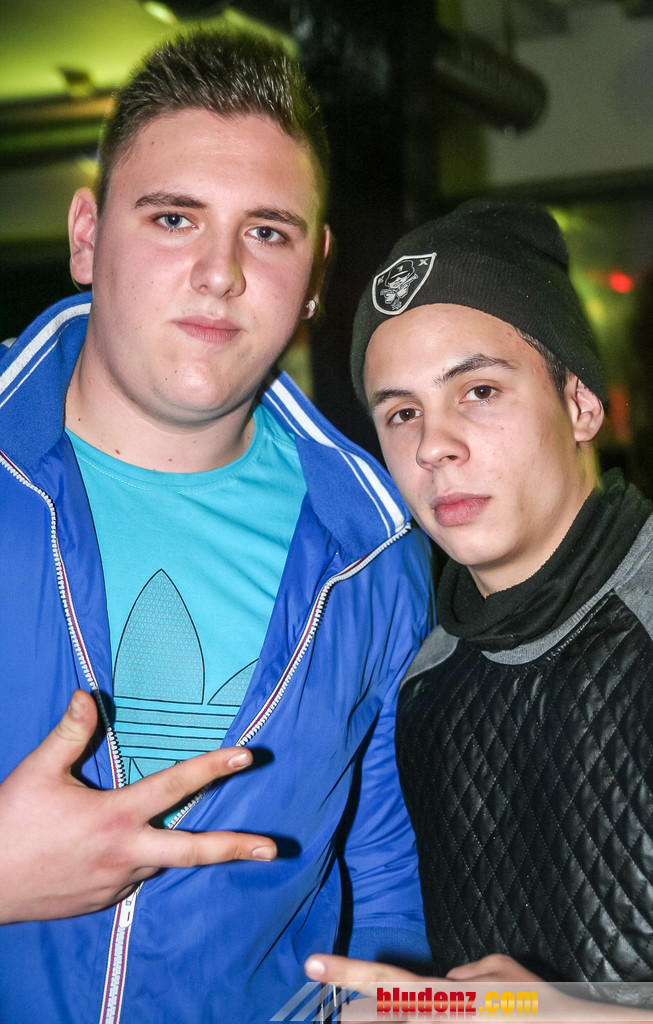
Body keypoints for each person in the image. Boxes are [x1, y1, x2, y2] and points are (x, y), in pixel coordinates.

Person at [0, 30, 433, 1024]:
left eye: (268, 232)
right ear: (86, 235)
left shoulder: (374, 551)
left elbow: (384, 894)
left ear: (316, 271)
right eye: (174, 217)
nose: (220, 272)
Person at [305, 199, 653, 1016]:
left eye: (478, 390)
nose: (433, 444)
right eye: (402, 413)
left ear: (581, 403)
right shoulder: (420, 677)